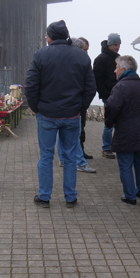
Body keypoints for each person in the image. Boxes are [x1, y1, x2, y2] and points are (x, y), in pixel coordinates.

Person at [24, 20, 96, 208]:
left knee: (46, 156)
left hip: (47, 114)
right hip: (72, 115)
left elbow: (31, 86)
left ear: (49, 37)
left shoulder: (40, 55)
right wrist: (81, 108)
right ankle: (70, 197)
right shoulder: (82, 57)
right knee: (70, 157)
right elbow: (90, 88)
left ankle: (44, 197)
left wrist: (36, 107)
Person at [104, 55, 140, 205]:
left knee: (125, 162)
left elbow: (112, 107)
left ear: (124, 69)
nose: (115, 71)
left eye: (117, 67)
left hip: (126, 129)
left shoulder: (121, 86)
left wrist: (109, 123)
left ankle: (129, 195)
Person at [56, 37, 96, 174]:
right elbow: (89, 86)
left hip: (60, 105)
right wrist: (82, 104)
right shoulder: (80, 63)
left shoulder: (62, 61)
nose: (85, 53)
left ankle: (62, 159)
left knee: (62, 134)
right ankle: (80, 162)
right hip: (73, 105)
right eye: (84, 50)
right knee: (75, 134)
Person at [93, 33, 121, 159]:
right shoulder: (101, 59)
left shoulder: (119, 58)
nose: (117, 47)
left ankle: (117, 145)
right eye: (115, 44)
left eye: (119, 44)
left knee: (119, 121)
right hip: (108, 95)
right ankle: (106, 148)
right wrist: (105, 94)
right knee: (109, 122)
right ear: (109, 44)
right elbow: (97, 79)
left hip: (119, 94)